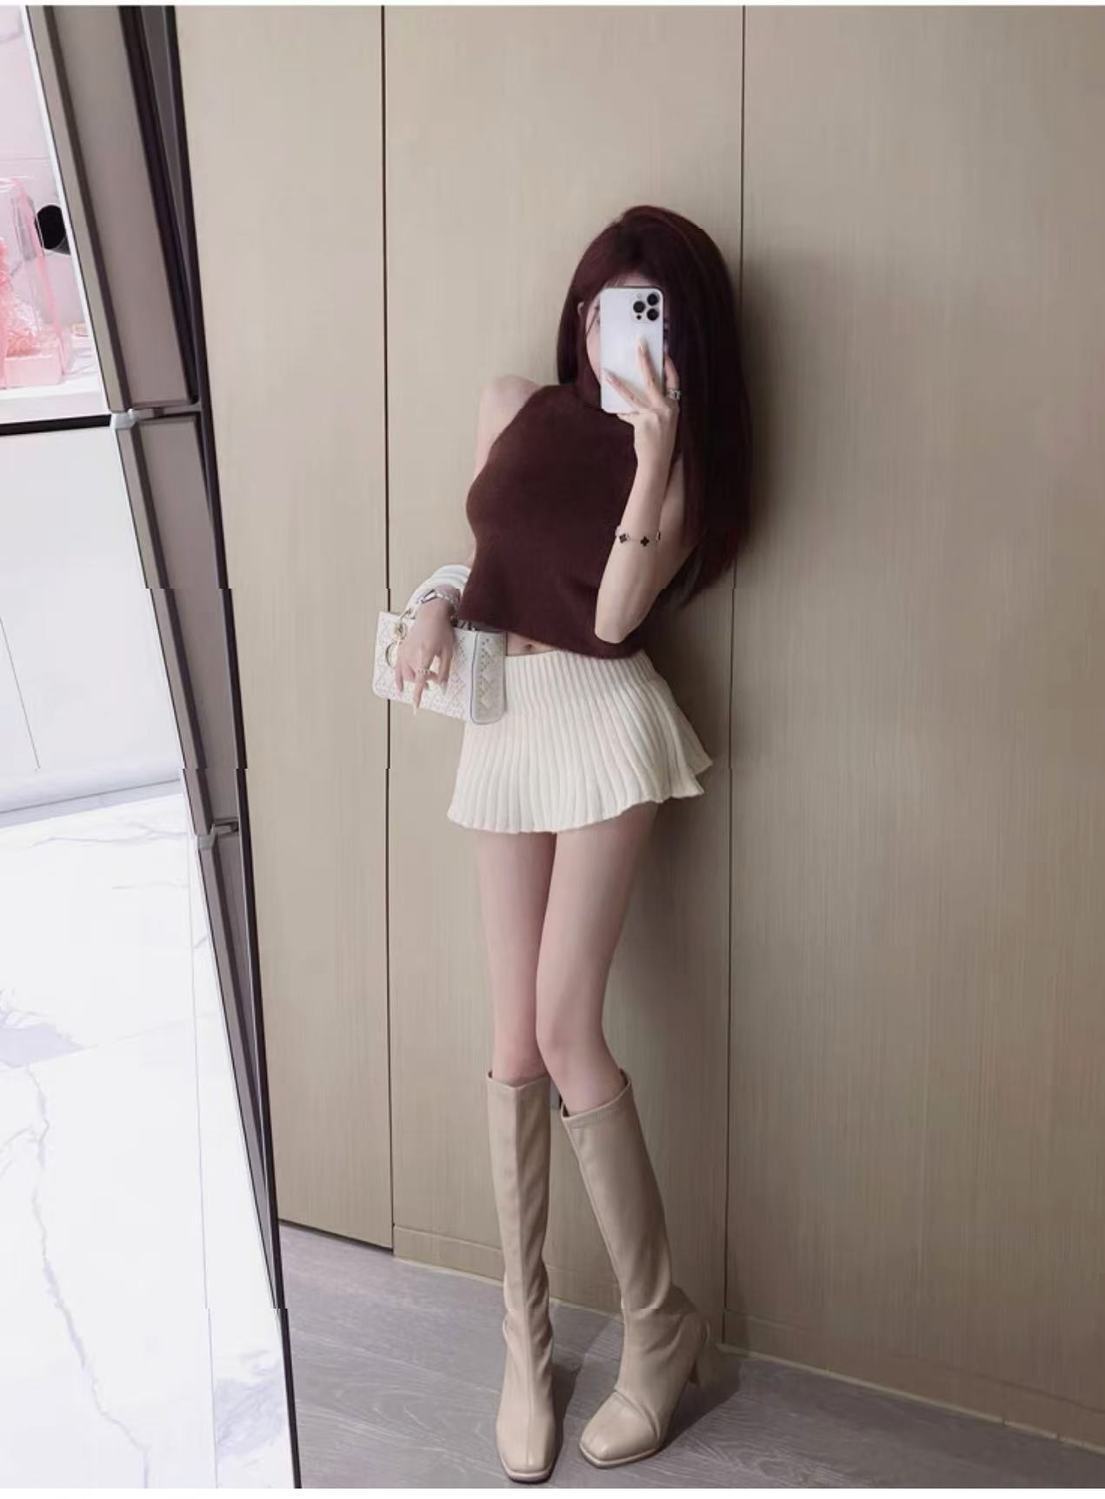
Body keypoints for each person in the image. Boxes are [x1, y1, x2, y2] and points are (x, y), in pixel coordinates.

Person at [394, 205, 752, 1480]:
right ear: (583, 311)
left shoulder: (683, 472)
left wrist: (653, 455)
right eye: (608, 302)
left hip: (602, 723)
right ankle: (523, 1341)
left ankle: (658, 1329)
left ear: (683, 334)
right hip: (502, 715)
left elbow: (609, 616)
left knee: (563, 1027)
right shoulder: (512, 405)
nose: (622, 326)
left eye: (651, 310)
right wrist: (433, 606)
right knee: (509, 1042)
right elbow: (488, 560)